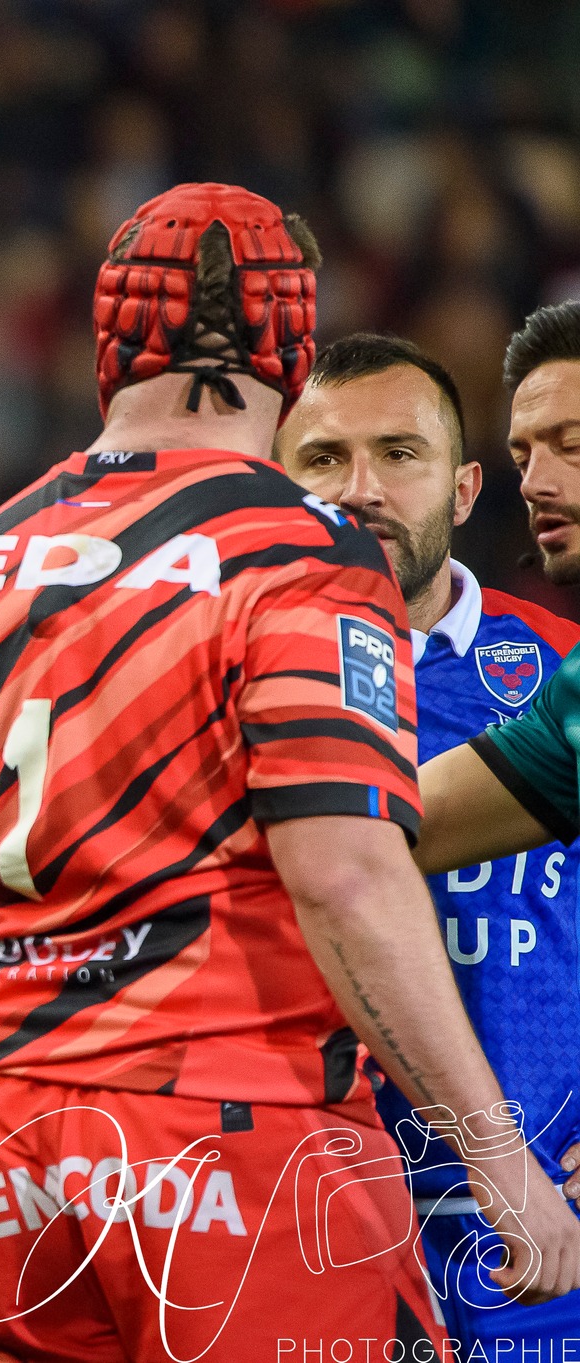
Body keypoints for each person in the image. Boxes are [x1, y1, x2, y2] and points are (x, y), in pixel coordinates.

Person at [0, 183, 580, 1362]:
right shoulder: (296, 553)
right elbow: (345, 876)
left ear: (101, 349)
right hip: (235, 1143)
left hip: (7, 1152)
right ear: (290, 356)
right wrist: (498, 1156)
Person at [275, 331, 580, 1352]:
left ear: (459, 491)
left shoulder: (554, 671)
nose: (357, 489)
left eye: (397, 454)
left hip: (539, 1247)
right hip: (303, 1226)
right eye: (320, 459)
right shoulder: (216, 686)